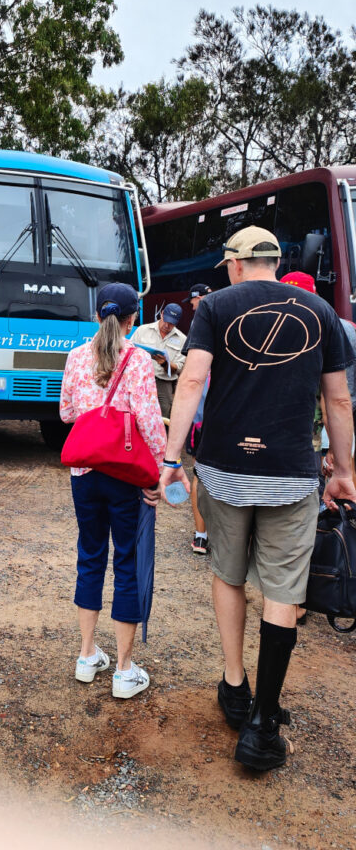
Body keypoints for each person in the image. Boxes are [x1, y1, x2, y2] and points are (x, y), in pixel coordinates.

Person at [161, 226, 356, 771]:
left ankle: (234, 687)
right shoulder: (320, 312)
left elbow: (193, 382)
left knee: (227, 575)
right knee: (282, 590)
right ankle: (262, 725)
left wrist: (173, 459)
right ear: (272, 261)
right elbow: (337, 400)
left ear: (236, 263)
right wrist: (342, 471)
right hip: (292, 476)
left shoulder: (215, 306)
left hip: (225, 472)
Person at [60, 283, 166, 699]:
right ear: (132, 318)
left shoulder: (74, 356)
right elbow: (150, 421)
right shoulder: (138, 360)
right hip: (125, 474)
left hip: (84, 471)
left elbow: (66, 413)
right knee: (128, 560)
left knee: (90, 556)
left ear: (96, 314)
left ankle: (87, 656)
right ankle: (124, 670)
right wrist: (158, 473)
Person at [180, 284, 212, 555]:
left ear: (199, 299)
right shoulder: (236, 316)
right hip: (232, 416)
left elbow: (192, 378)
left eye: (191, 302)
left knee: (200, 475)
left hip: (203, 416)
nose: (190, 307)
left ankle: (201, 535)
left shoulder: (202, 322)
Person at [131, 303, 186, 419]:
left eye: (171, 323)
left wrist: (166, 364)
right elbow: (130, 351)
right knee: (137, 413)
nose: (167, 325)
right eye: (166, 320)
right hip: (142, 379)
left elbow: (180, 367)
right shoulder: (143, 330)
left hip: (164, 384)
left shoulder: (182, 339)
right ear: (161, 314)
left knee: (163, 417)